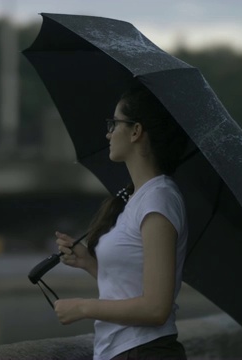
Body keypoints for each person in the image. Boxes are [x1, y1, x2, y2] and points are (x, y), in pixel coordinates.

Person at [54, 85, 189, 360]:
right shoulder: (139, 197)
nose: (108, 133)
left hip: (143, 352)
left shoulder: (158, 200)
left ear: (136, 131)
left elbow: (155, 309)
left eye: (114, 123)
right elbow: (130, 286)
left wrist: (82, 308)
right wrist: (89, 263)